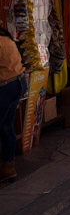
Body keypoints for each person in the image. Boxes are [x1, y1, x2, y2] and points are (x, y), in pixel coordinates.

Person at [0, 26, 25, 181]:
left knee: (4, 126)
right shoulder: (6, 37)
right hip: (18, 83)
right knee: (6, 126)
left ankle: (8, 166)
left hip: (6, 87)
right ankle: (8, 166)